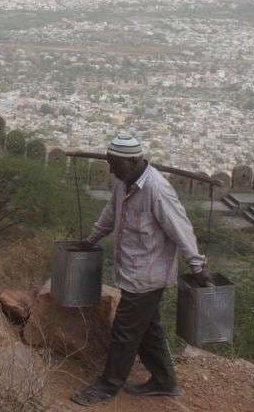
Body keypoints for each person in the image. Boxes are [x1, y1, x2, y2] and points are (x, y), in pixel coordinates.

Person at [70, 133, 214, 407]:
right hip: (132, 270)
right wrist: (91, 239)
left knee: (125, 330)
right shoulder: (124, 182)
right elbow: (111, 212)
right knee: (148, 329)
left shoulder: (158, 190)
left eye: (115, 164)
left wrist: (197, 265)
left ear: (135, 161)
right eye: (109, 163)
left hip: (149, 274)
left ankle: (107, 385)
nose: (111, 169)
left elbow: (181, 229)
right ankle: (164, 382)